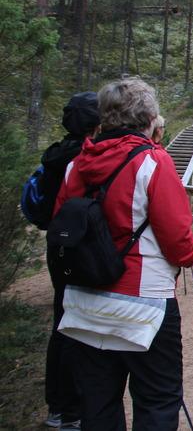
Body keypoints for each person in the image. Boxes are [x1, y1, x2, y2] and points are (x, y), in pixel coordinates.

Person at [54, 78, 193, 430]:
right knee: (157, 400)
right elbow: (178, 243)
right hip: (144, 304)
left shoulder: (76, 166)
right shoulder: (153, 162)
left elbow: (62, 227)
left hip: (83, 304)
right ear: (150, 117)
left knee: (97, 406)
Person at [40, 92, 100, 430]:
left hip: (57, 243)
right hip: (82, 245)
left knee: (62, 319)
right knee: (80, 322)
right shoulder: (86, 156)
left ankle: (58, 407)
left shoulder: (56, 153)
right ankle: (75, 410)